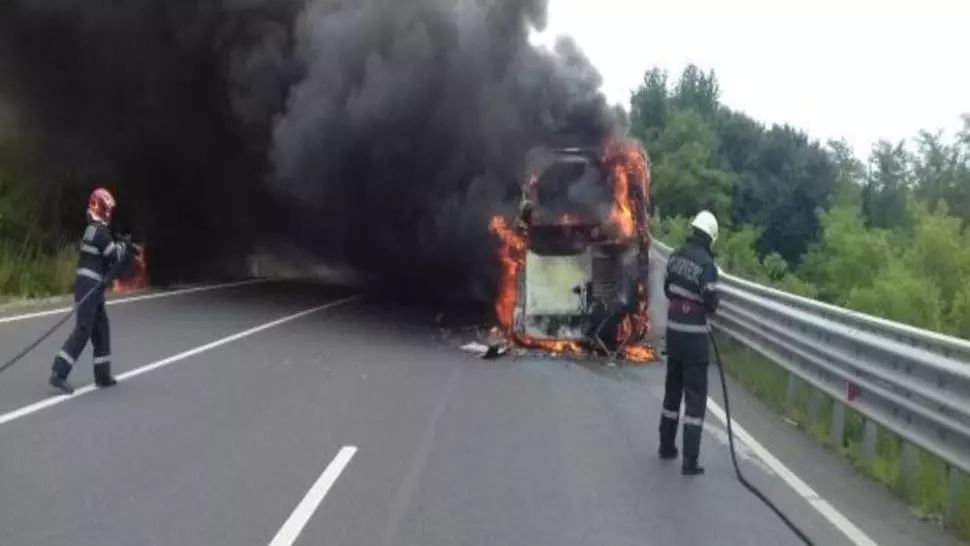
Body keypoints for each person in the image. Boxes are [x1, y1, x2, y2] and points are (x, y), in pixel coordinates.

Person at [49, 188, 129, 395]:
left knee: (101, 328)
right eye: (107, 209)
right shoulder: (100, 232)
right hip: (89, 287)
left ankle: (102, 375)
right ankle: (58, 373)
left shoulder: (93, 229)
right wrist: (123, 247)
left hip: (93, 287)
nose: (109, 213)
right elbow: (113, 257)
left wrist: (119, 246)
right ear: (99, 207)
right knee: (84, 329)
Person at [658, 210, 720, 475]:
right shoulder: (707, 266)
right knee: (694, 399)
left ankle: (666, 446)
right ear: (710, 237)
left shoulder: (675, 256)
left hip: (673, 333)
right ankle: (690, 461)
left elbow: (666, 288)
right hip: (695, 339)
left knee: (672, 391)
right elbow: (711, 302)